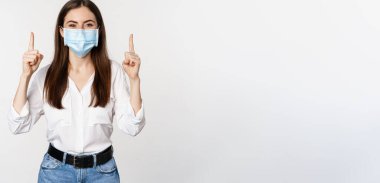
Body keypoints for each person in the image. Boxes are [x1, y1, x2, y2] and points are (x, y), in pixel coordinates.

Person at [7, 0, 145, 182]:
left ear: (98, 30)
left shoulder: (113, 72)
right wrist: (25, 76)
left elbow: (132, 126)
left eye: (88, 25)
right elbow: (18, 125)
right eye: (72, 25)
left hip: (102, 173)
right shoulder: (46, 76)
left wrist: (134, 79)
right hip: (56, 172)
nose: (80, 31)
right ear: (62, 32)